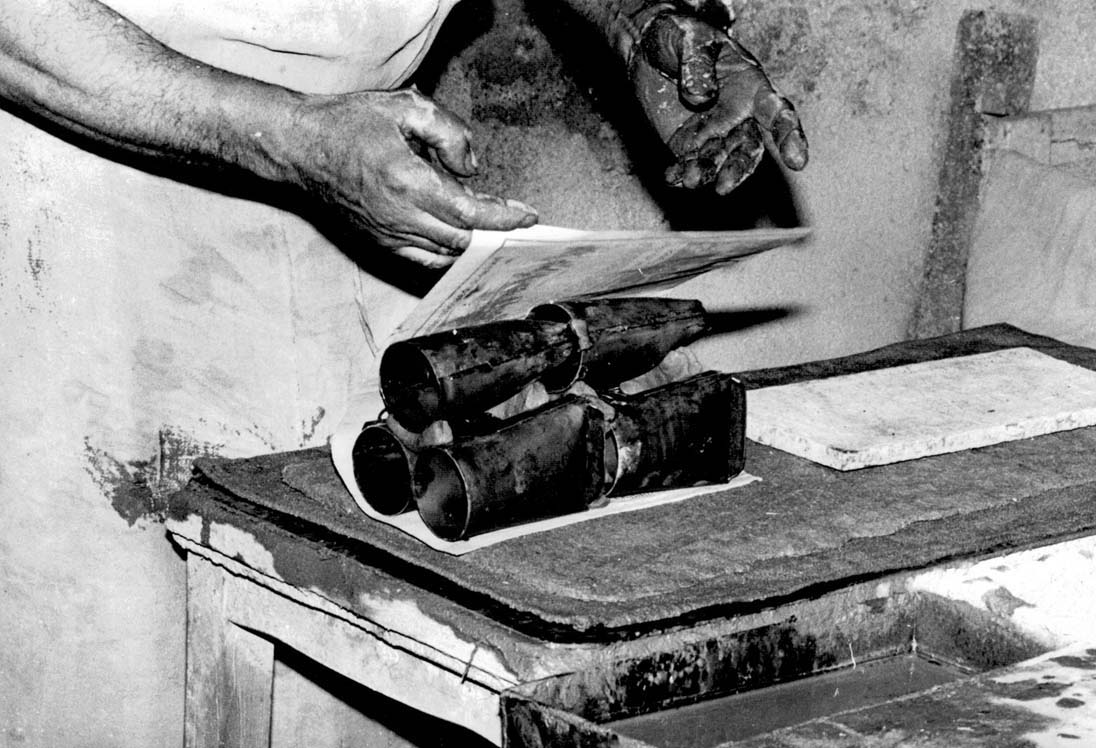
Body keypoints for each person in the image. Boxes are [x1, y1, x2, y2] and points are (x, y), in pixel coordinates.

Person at [0, 1, 806, 745]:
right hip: (96, 234)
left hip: (368, 198)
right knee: (128, 670)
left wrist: (632, 19)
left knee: (364, 647)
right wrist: (291, 136)